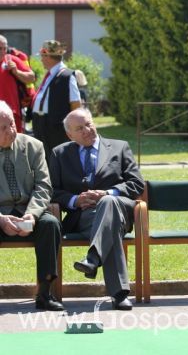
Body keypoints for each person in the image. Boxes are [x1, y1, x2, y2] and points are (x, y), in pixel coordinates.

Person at [49, 108, 144, 310]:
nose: (87, 130)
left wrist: (108, 193)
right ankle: (118, 294)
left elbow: (137, 184)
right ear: (70, 134)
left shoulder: (120, 147)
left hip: (120, 210)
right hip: (83, 217)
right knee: (110, 228)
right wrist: (75, 200)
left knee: (108, 204)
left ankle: (93, 258)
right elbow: (52, 191)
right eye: (79, 128)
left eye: (89, 124)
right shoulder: (60, 154)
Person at [0, 101, 63, 311]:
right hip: (1, 213)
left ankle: (45, 293)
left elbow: (44, 186)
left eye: (10, 123)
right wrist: (1, 219)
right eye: (2, 128)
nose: (10, 130)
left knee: (51, 223)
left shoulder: (33, 146)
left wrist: (32, 215)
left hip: (29, 209)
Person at [31, 40, 81, 163]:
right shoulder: (50, 75)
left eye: (42, 56)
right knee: (43, 160)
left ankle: (58, 182)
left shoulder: (67, 76)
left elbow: (75, 104)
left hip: (56, 128)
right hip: (41, 124)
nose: (41, 60)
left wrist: (74, 127)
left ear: (48, 57)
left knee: (57, 161)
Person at [0, 35, 36, 132]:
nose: (3, 51)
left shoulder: (11, 60)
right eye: (0, 48)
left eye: (5, 48)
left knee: (14, 143)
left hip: (12, 113)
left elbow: (31, 78)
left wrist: (16, 72)